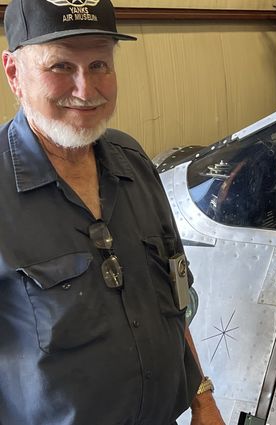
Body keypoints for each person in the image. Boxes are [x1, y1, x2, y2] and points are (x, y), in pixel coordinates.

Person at [0, 1, 224, 424]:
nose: (86, 90)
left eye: (99, 64)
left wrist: (203, 400)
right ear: (14, 74)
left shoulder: (133, 162)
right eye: (61, 67)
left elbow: (172, 300)